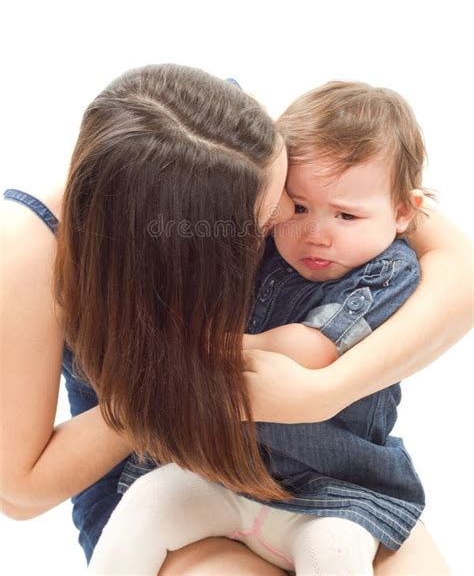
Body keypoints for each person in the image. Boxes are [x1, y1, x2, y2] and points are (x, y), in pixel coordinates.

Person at [0, 67, 471, 575]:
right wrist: (180, 381)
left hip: (326, 472)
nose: (301, 225)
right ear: (190, 241)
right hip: (168, 465)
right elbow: (20, 490)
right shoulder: (26, 248)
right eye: (275, 219)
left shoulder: (236, 138)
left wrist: (327, 390)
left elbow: (454, 267)